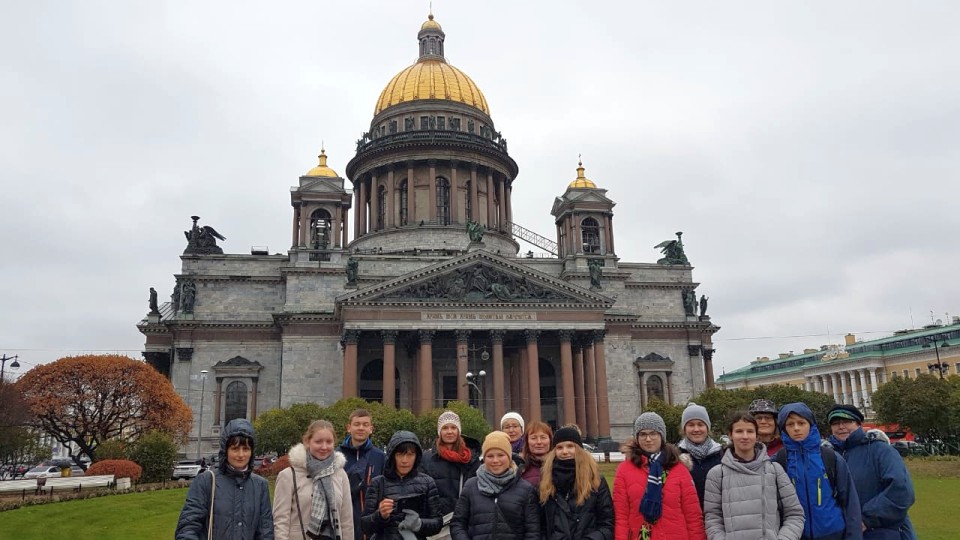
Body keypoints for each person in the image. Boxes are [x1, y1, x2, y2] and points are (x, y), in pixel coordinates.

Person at [703, 411, 804, 540]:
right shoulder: (717, 474)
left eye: (750, 431)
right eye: (739, 431)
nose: (745, 436)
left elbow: (795, 514)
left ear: (757, 436)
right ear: (730, 435)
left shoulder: (774, 470)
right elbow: (712, 519)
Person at [827, 405, 917, 540]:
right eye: (835, 423)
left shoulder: (880, 450)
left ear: (858, 424)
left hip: (881, 531)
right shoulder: (828, 456)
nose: (841, 427)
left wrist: (866, 519)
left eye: (847, 422)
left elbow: (901, 491)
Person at [175, 418, 274, 539]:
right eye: (235, 449)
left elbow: (265, 532)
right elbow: (188, 526)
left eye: (246, 449)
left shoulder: (260, 485)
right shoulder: (206, 481)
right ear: (225, 450)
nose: (241, 455)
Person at [613, 412, 706, 540]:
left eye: (653, 433)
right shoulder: (624, 470)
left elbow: (693, 516)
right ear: (637, 437)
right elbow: (621, 516)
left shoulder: (679, 469)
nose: (648, 439)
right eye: (643, 434)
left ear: (662, 436)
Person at [776, 403, 861, 540]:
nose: (796, 428)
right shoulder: (779, 460)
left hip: (833, 533)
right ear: (784, 429)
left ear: (811, 425)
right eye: (790, 424)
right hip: (795, 535)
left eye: (801, 423)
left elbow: (850, 502)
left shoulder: (831, 457)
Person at [450, 431, 540, 540]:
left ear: (509, 457)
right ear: (484, 458)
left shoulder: (526, 490)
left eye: (501, 455)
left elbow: (533, 531)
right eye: (490, 456)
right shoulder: (471, 486)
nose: (495, 460)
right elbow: (458, 524)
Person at [274, 420, 354, 540]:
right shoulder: (289, 475)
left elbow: (346, 520)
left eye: (329, 442)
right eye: (318, 442)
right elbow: (280, 520)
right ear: (307, 441)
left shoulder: (340, 474)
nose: (324, 447)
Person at [361, 431, 443, 540]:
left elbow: (437, 523)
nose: (405, 460)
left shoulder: (428, 482)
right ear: (392, 456)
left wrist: (419, 524)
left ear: (416, 456)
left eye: (410, 454)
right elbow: (365, 526)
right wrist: (380, 515)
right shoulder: (378, 483)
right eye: (400, 454)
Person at [539, 426, 613, 540]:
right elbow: (540, 525)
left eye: (570, 446)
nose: (564, 452)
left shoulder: (596, 481)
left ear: (579, 449)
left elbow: (607, 524)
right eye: (559, 447)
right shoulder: (545, 482)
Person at [420, 411, 481, 516]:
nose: (449, 432)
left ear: (459, 431)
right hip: (436, 519)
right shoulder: (427, 458)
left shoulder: (471, 458)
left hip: (463, 518)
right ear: (439, 432)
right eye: (445, 428)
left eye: (453, 427)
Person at [340, 409, 386, 540]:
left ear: (371, 429)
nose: (361, 428)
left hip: (373, 524)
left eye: (365, 425)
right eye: (357, 424)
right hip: (345, 521)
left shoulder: (381, 457)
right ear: (349, 428)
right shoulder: (337, 456)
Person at [677, 402, 723, 510]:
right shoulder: (675, 456)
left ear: (707, 427)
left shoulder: (722, 453)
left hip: (718, 518)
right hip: (688, 518)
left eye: (700, 424)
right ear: (684, 428)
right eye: (691, 425)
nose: (696, 429)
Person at [520, 421, 553, 486]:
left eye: (543, 437)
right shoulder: (519, 467)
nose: (539, 442)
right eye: (533, 438)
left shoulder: (560, 465)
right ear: (527, 442)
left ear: (550, 440)